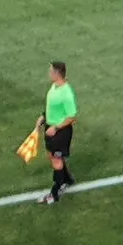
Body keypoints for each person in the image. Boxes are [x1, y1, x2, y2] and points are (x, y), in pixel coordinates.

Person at [37, 61, 79, 205]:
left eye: (50, 71)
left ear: (56, 73)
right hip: (50, 128)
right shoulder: (54, 86)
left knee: (56, 159)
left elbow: (71, 116)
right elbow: (53, 106)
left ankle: (55, 192)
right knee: (52, 156)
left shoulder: (66, 93)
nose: (49, 73)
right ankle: (67, 179)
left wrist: (55, 128)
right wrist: (44, 117)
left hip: (60, 131)